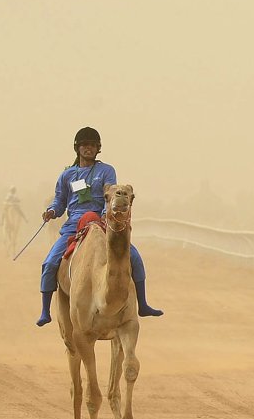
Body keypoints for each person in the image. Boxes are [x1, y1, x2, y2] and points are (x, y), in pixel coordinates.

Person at [36, 127, 163, 326]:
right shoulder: (67, 175)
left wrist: (106, 216)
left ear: (98, 149)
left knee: (135, 257)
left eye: (93, 145)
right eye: (85, 145)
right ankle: (44, 310)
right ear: (77, 148)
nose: (88, 149)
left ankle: (143, 304)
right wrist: (52, 211)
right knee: (50, 262)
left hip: (101, 220)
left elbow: (110, 194)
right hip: (74, 224)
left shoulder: (106, 171)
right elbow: (60, 201)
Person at [1, 186, 29, 258]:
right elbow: (14, 201)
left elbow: (16, 201)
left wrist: (12, 203)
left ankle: (2, 221)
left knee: (6, 211)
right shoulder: (10, 196)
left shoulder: (10, 196)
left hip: (11, 206)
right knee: (8, 211)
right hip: (11, 206)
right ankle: (25, 219)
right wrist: (13, 203)